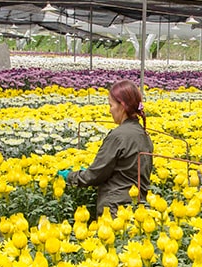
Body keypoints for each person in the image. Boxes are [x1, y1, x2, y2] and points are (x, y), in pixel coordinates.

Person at [60, 80, 153, 219]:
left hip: (114, 210)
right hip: (138, 209)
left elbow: (95, 175)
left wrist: (69, 176)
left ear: (122, 106)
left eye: (111, 105)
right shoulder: (144, 135)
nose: (109, 110)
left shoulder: (119, 136)